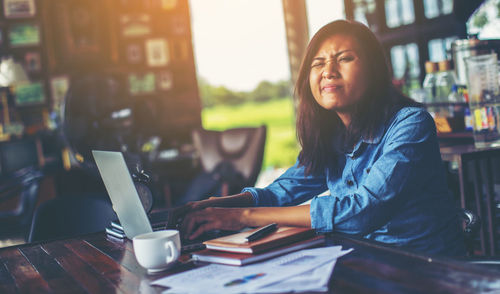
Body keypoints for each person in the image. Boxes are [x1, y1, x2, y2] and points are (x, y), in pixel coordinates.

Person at [172, 20, 465, 256]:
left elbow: (363, 210)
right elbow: (280, 193)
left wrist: (242, 217)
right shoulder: (332, 135)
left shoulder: (411, 123)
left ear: (375, 70)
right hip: (363, 262)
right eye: (318, 63)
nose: (328, 71)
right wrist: (220, 205)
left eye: (344, 59)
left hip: (426, 269)